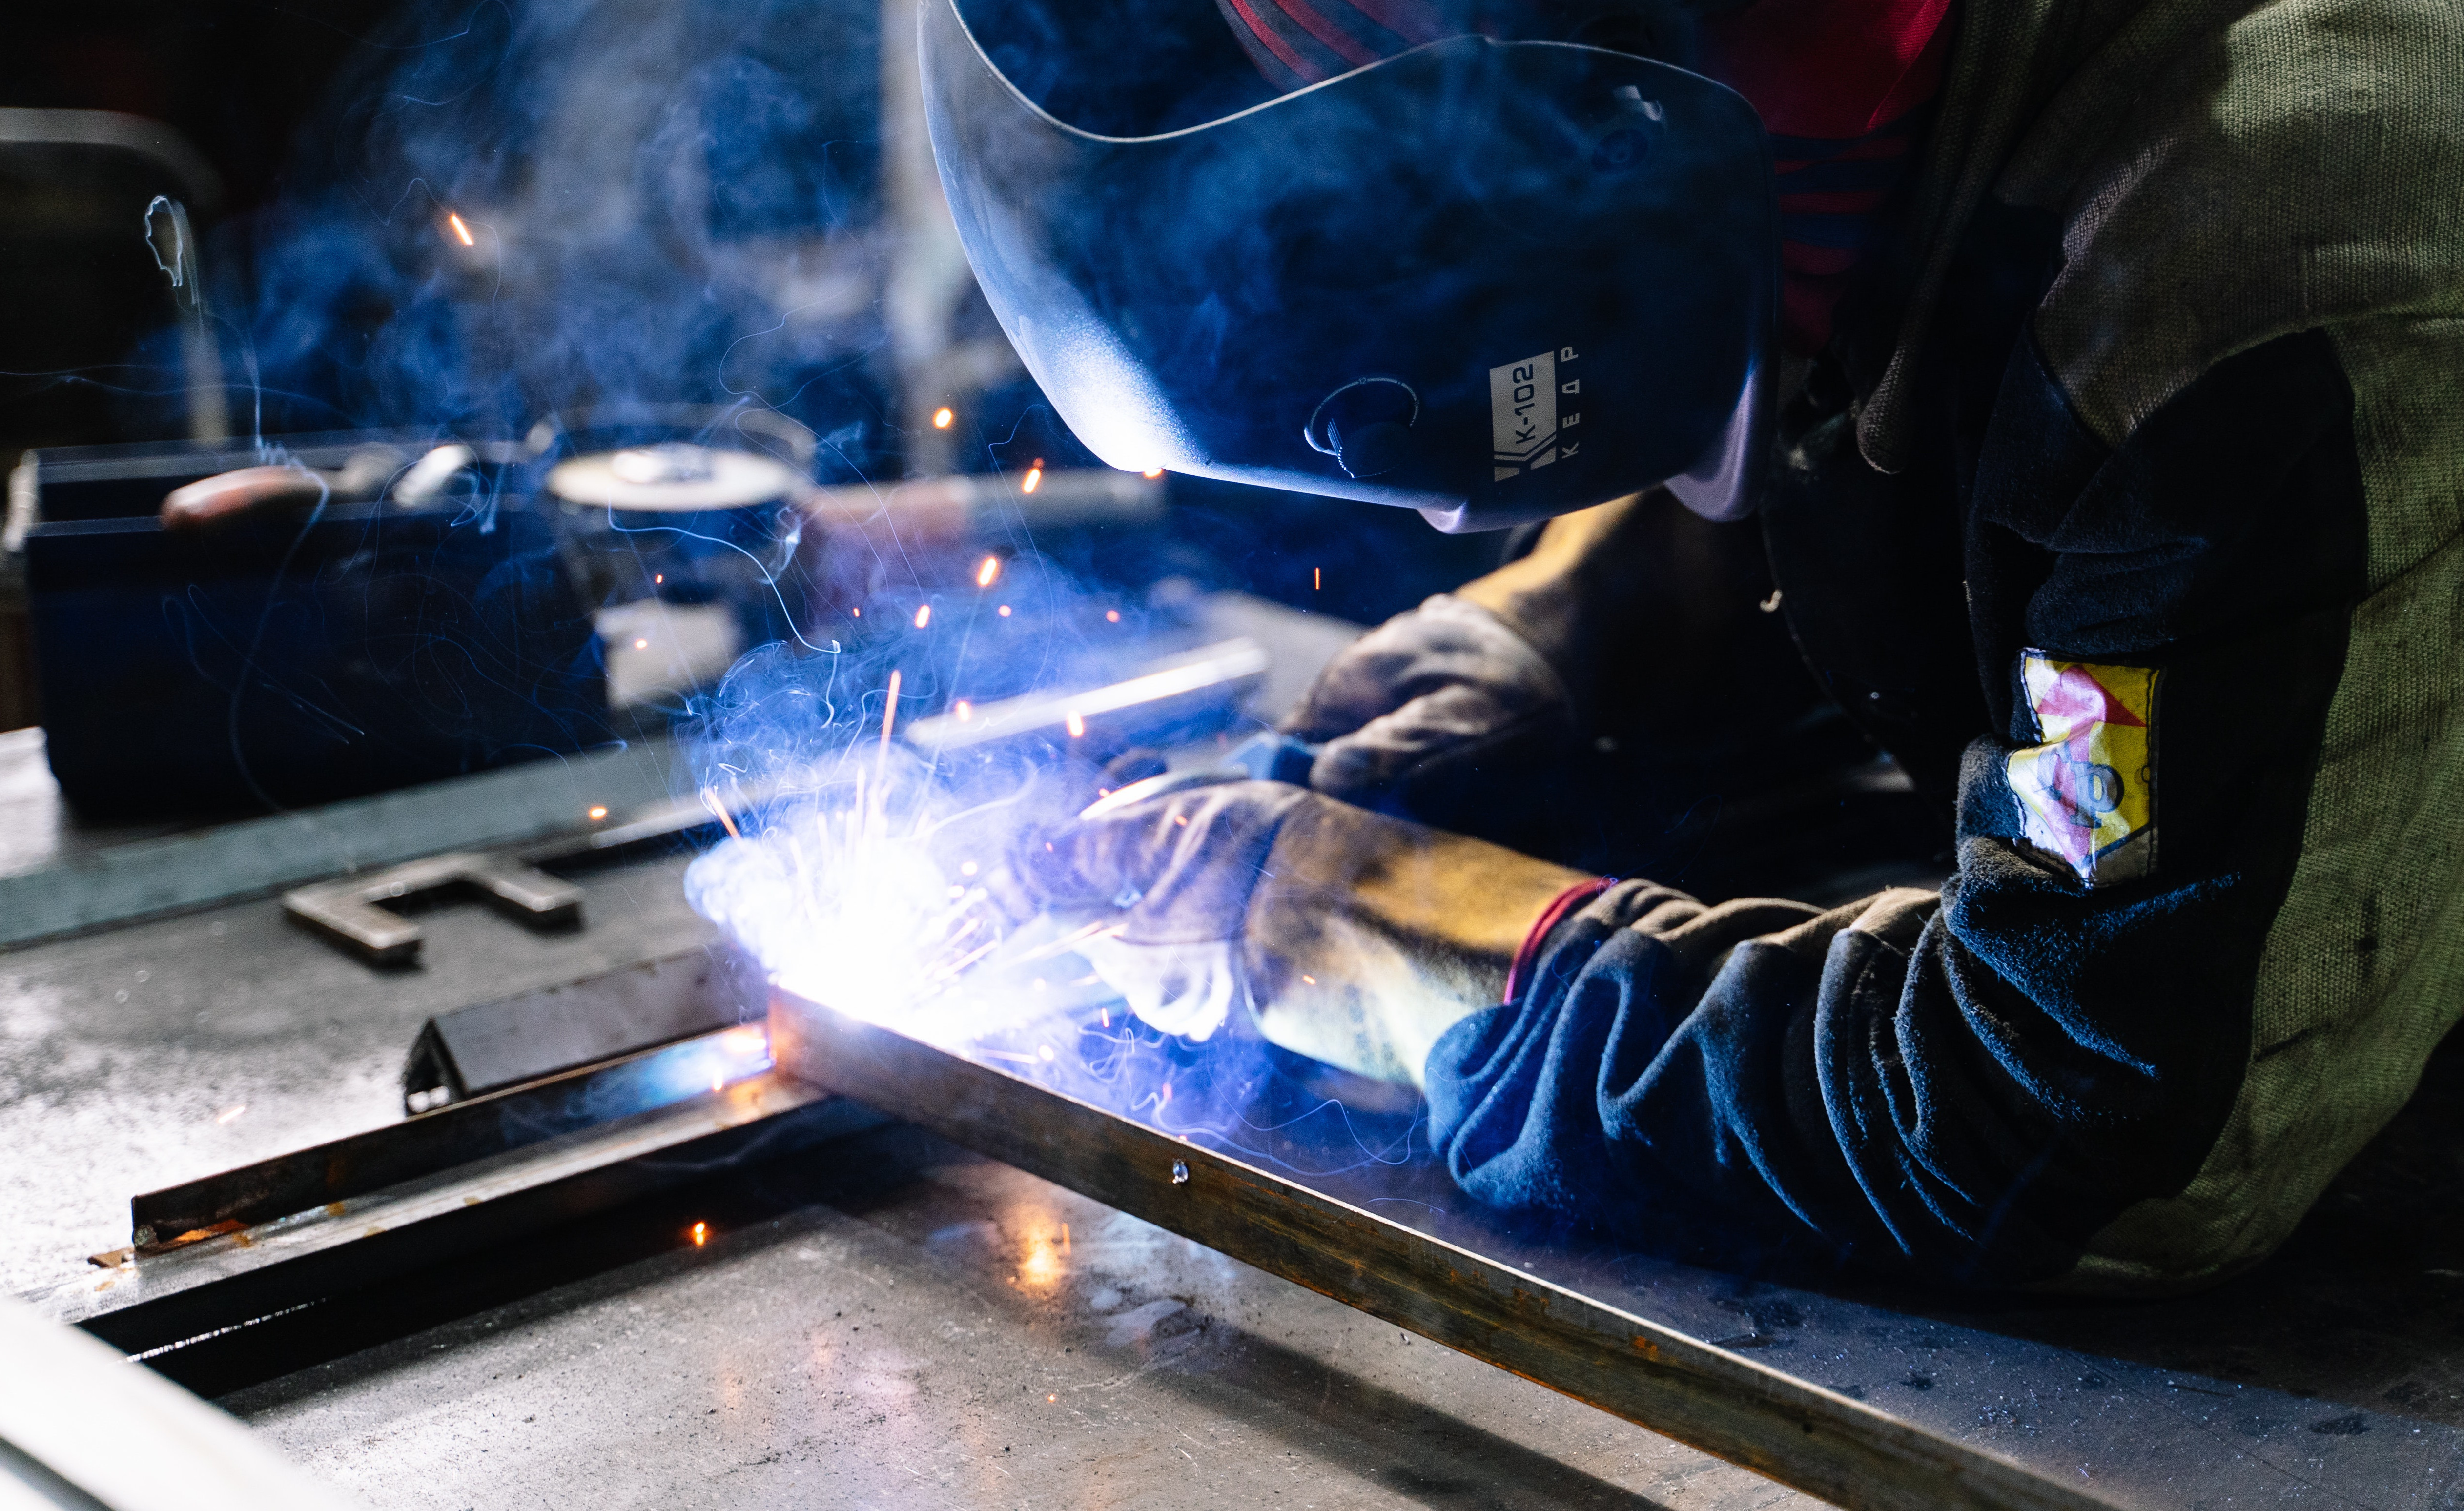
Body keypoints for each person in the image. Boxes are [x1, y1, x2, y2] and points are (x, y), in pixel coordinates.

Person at [929, 0, 2464, 1289]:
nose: (1462, 524)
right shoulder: (1836, 109)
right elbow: (1863, 367)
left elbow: (2064, 1124)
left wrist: (1367, 921)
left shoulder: (2248, 308)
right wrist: (1546, 650)